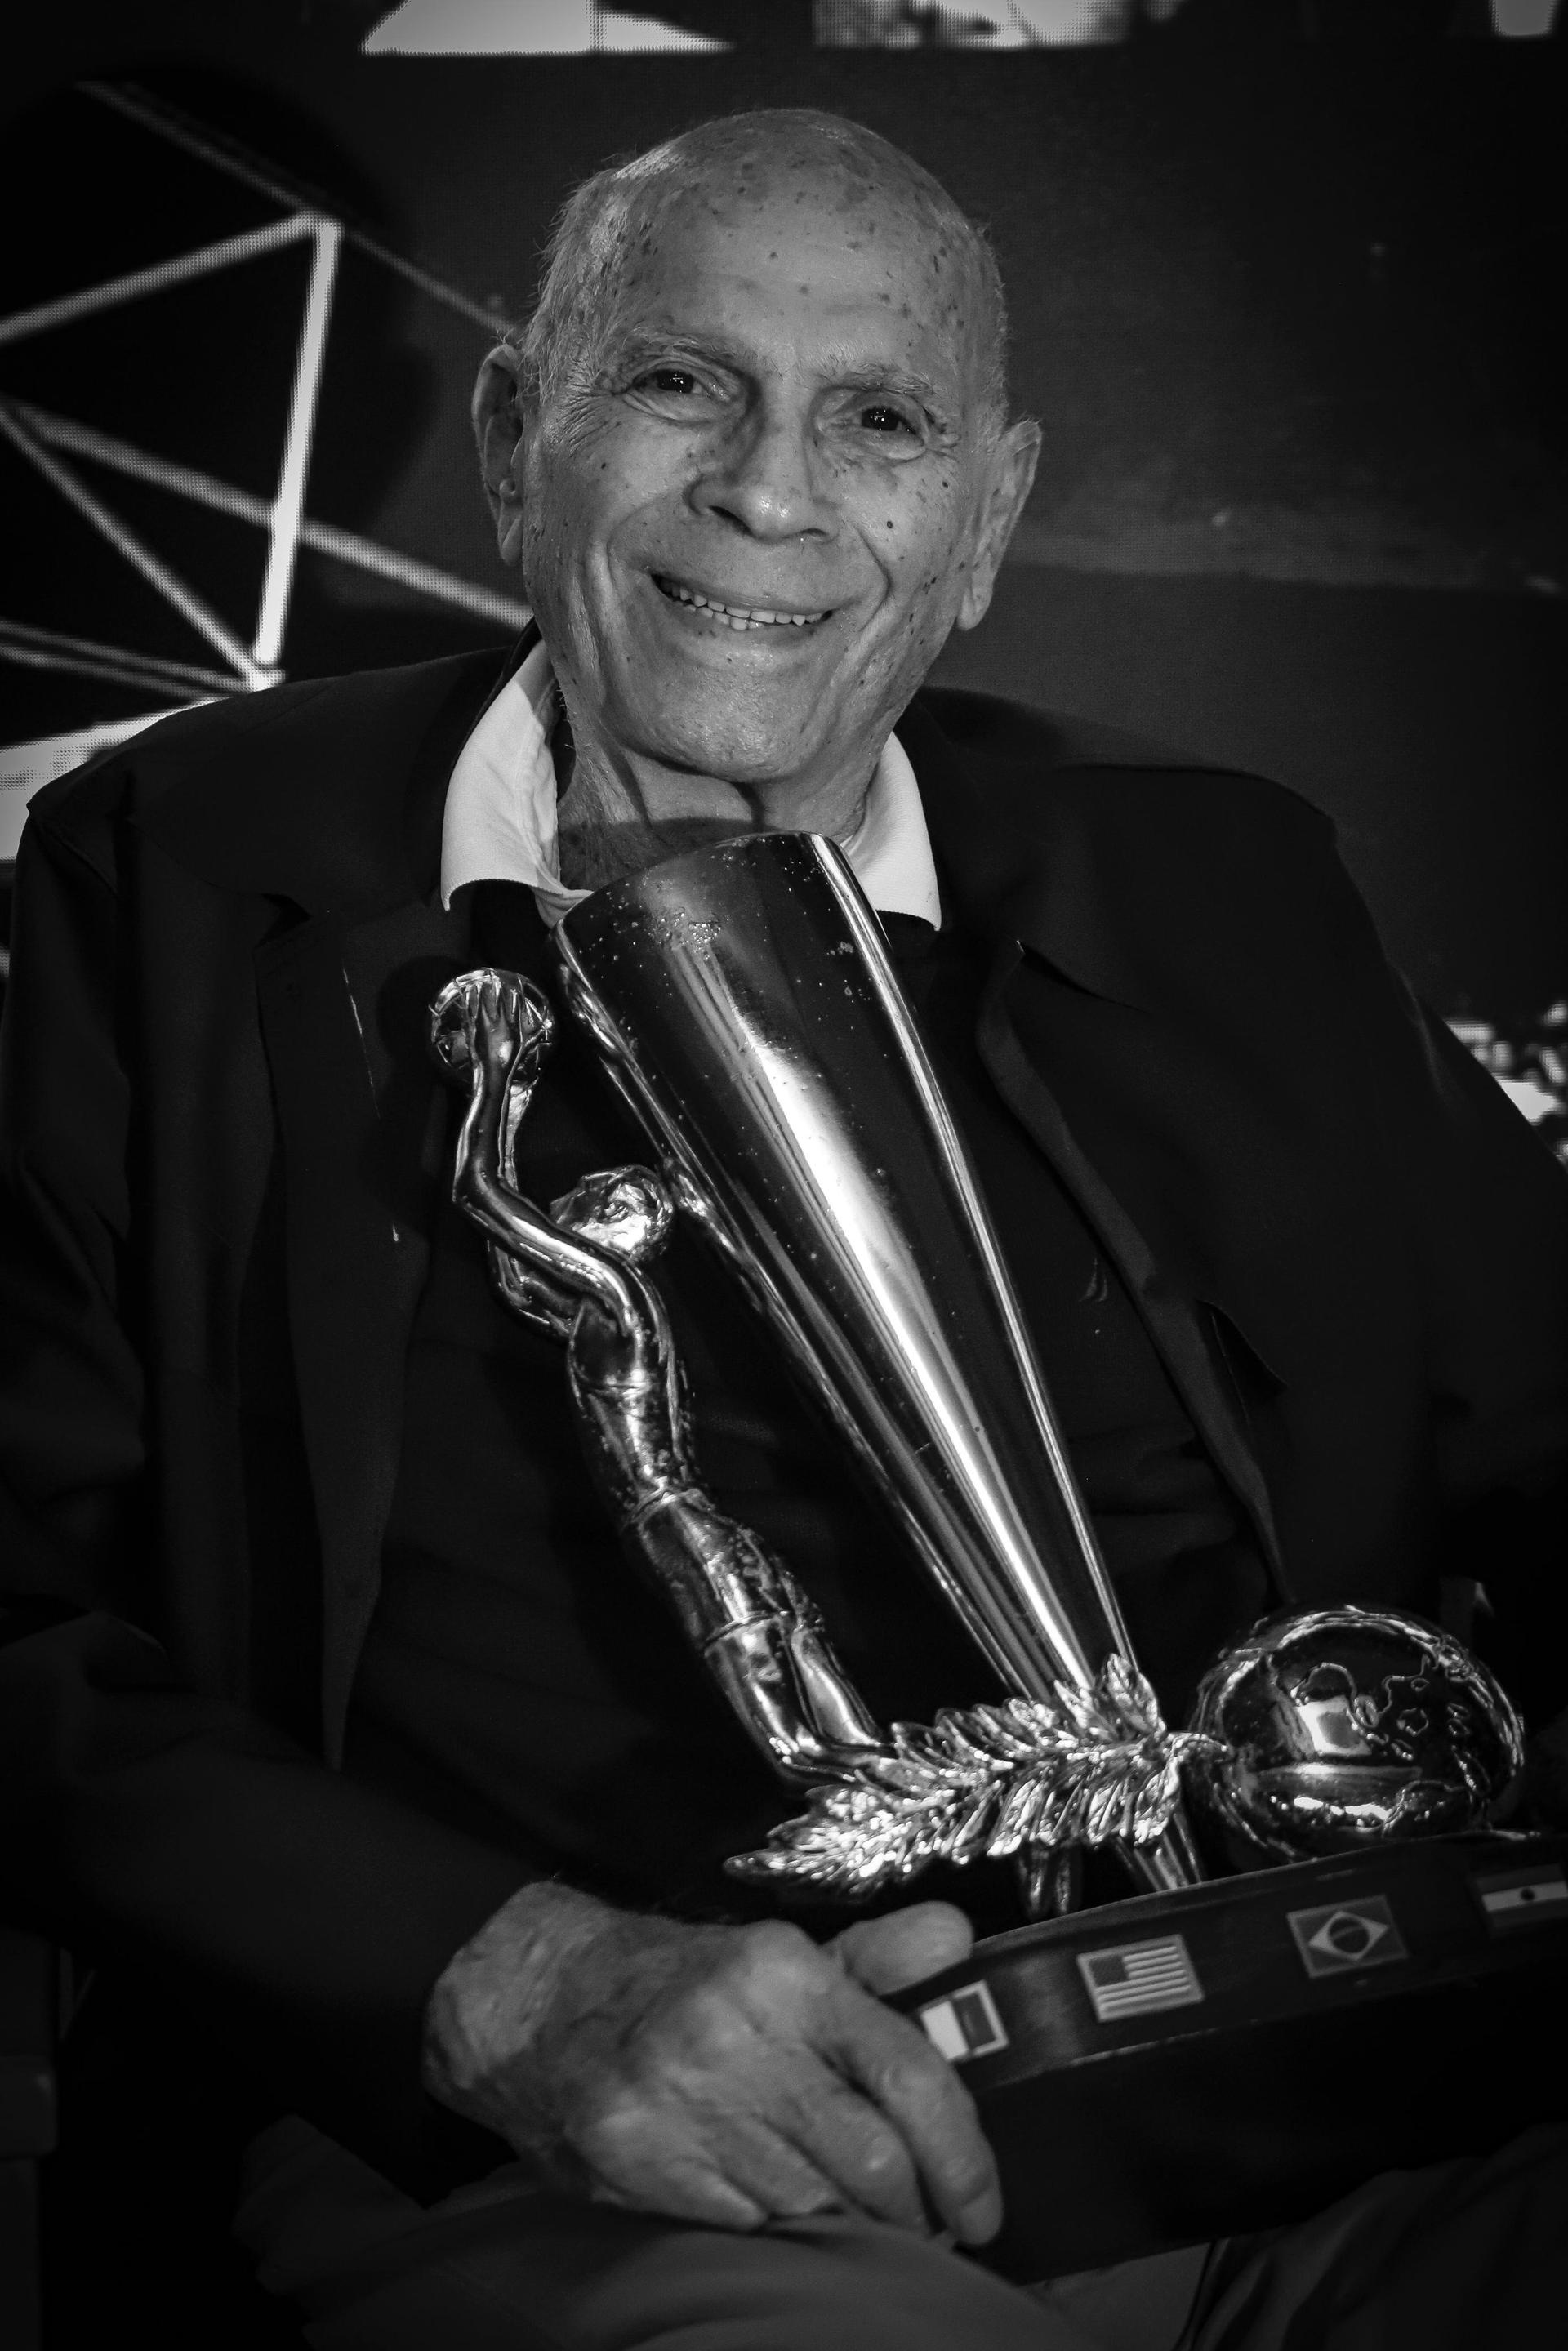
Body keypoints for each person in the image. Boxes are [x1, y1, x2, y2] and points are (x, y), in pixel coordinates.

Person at [1, 108, 1564, 2351]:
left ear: (988, 516)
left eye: (880, 419)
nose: (769, 491)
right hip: (627, 2172)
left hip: (1348, 2086)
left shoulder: (1224, 880)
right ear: (514, 429)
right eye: (678, 381)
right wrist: (499, 1976)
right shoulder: (168, 873)